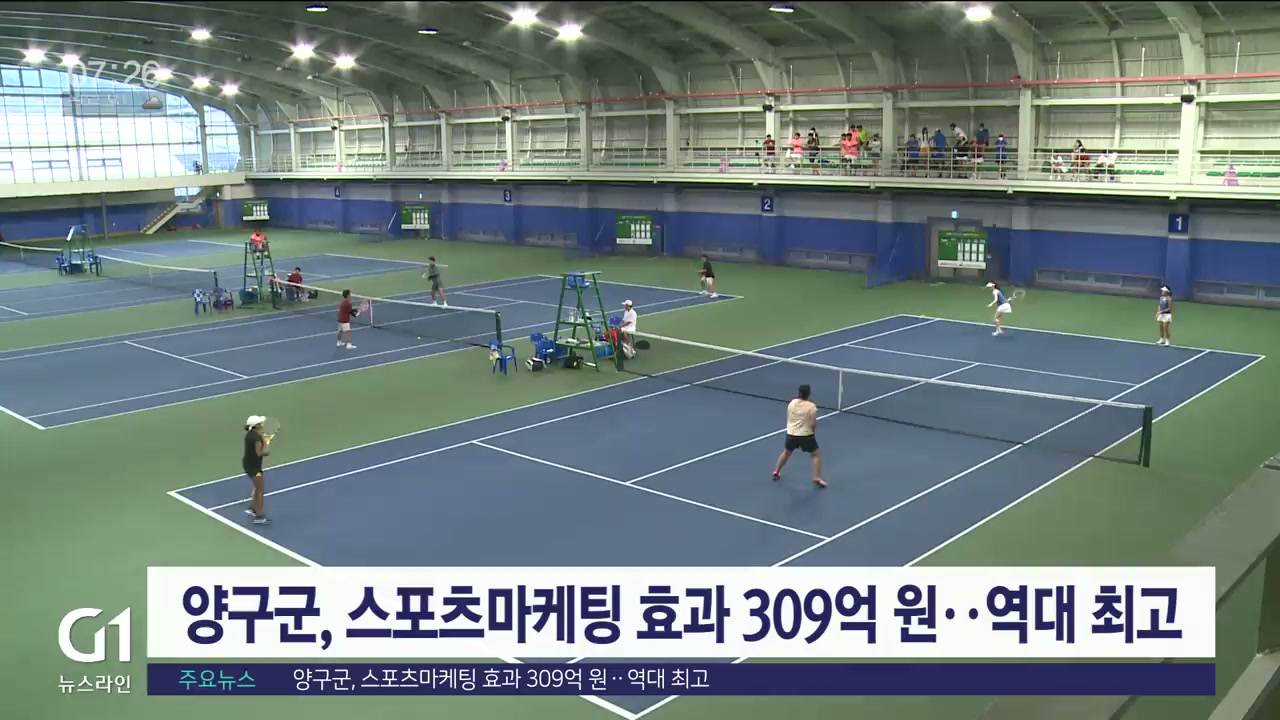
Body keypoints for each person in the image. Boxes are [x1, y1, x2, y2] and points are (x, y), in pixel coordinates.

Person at [772, 384, 826, 488]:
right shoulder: (811, 406)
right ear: (809, 394)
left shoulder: (791, 403)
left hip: (791, 434)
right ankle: (817, 477)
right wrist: (813, 434)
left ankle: (776, 471)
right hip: (805, 435)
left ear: (799, 392)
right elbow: (813, 423)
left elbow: (789, 417)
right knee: (816, 455)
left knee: (786, 453)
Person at [242, 415, 271, 525]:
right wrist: (266, 450)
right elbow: (259, 453)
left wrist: (264, 441)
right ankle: (259, 516)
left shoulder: (250, 435)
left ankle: (253, 508)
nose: (262, 424)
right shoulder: (256, 438)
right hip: (254, 468)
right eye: (260, 423)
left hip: (249, 465)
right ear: (256, 425)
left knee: (257, 487)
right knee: (260, 490)